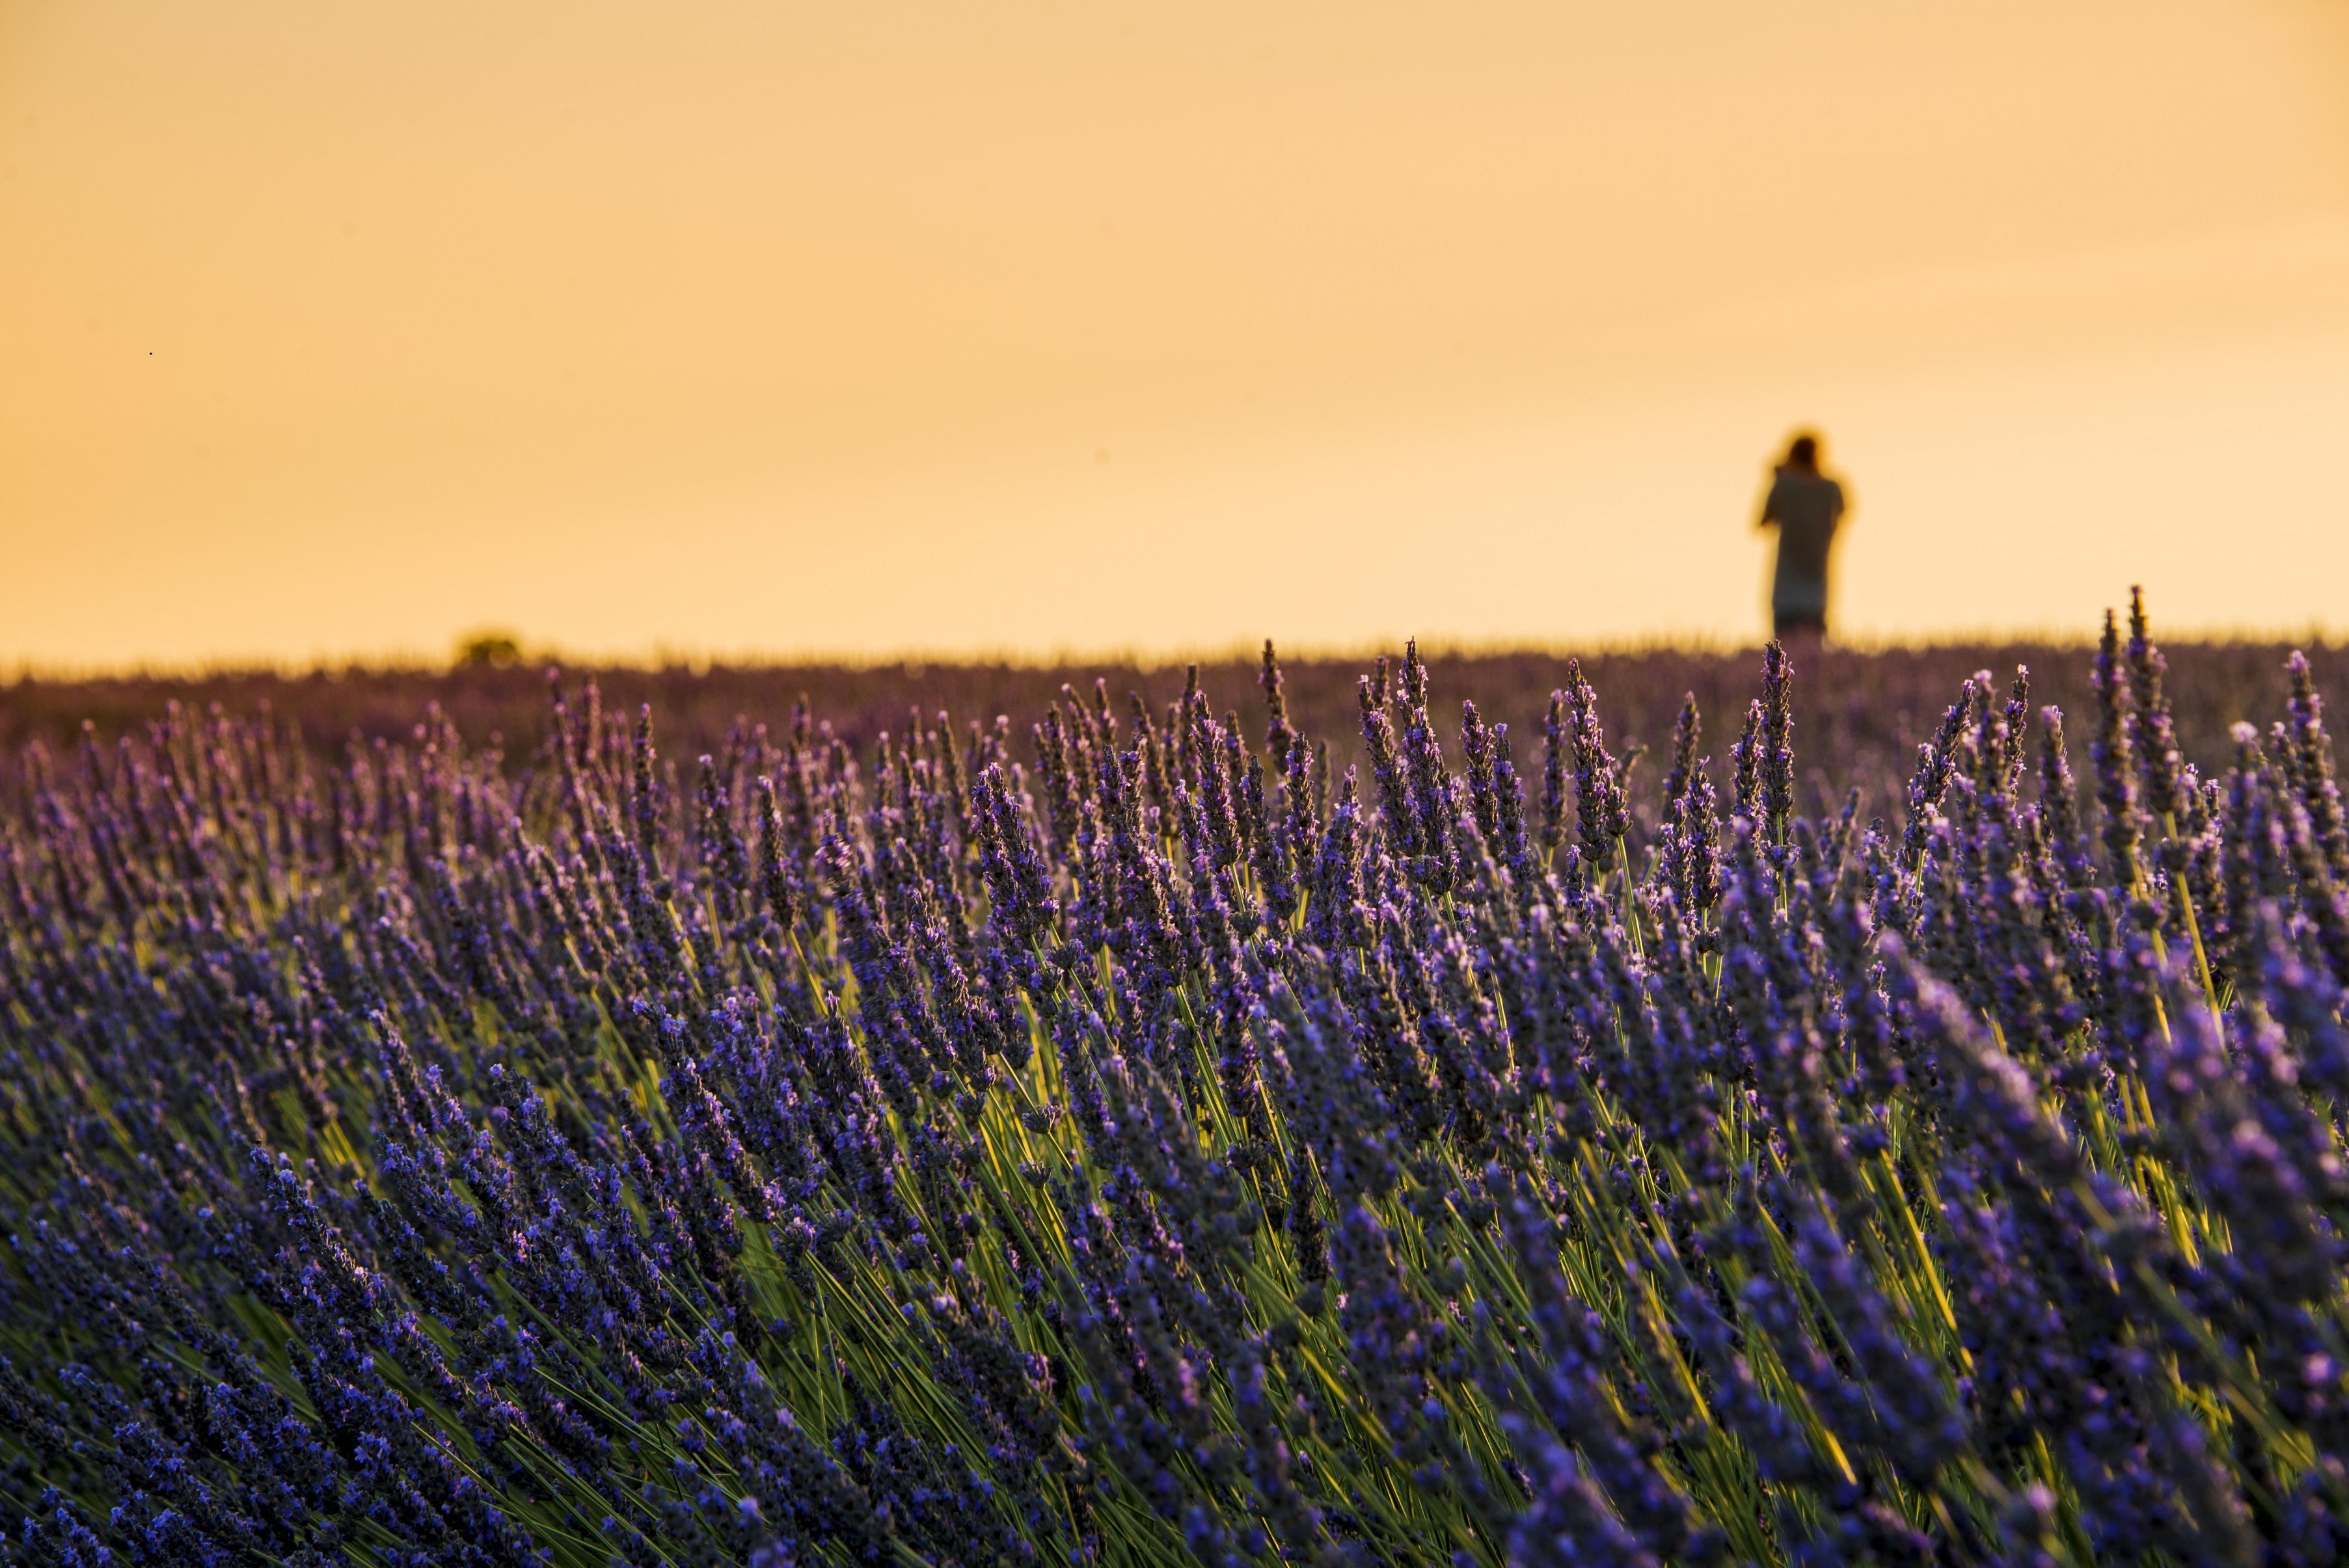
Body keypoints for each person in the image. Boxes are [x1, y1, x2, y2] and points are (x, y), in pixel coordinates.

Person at [1756, 431, 1847, 649]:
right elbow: (1841, 517)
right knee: (1815, 652)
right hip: (1818, 589)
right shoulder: (1831, 487)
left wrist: (1776, 479)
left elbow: (1762, 522)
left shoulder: (1785, 486)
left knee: (1781, 653)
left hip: (1785, 592)